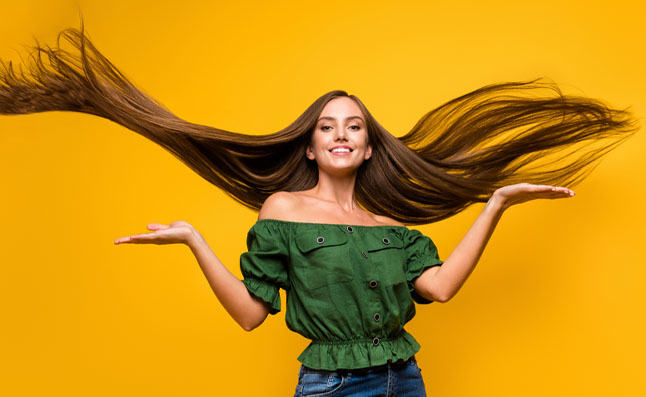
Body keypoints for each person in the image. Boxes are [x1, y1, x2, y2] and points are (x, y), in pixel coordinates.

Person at [0, 22, 639, 396]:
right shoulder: (283, 208)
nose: (340, 134)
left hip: (405, 379)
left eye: (354, 127)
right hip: (333, 388)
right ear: (310, 143)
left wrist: (496, 203)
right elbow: (253, 316)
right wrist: (196, 240)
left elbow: (441, 288)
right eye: (327, 125)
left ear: (367, 147)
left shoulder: (391, 222)